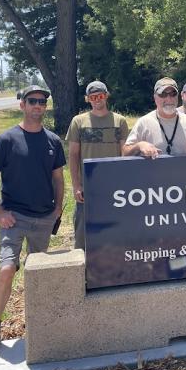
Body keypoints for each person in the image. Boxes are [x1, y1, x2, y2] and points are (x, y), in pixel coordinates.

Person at [0, 84, 66, 359]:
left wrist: (58, 211)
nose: (38, 106)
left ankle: (40, 327)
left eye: (42, 102)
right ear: (22, 105)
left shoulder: (52, 141)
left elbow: (58, 179)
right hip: (14, 217)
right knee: (7, 269)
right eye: (32, 101)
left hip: (42, 218)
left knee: (38, 276)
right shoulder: (6, 140)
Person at [65, 80, 129, 250]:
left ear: (106, 96)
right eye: (93, 97)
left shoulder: (120, 121)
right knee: (83, 233)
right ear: (88, 99)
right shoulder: (78, 122)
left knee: (115, 229)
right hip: (88, 186)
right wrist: (76, 185)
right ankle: (82, 267)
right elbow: (73, 155)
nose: (97, 99)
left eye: (100, 95)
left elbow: (125, 152)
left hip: (114, 187)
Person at [123, 77, 186, 158]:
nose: (169, 99)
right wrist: (139, 146)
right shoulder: (144, 122)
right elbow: (125, 153)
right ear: (155, 98)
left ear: (178, 96)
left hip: (185, 173)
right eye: (163, 94)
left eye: (173, 94)